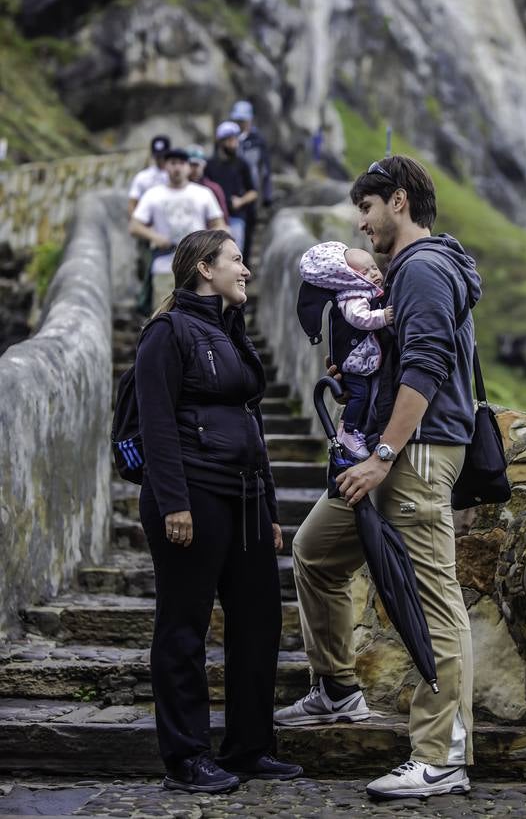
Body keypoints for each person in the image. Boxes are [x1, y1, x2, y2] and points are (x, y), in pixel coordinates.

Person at [275, 155, 481, 802]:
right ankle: (338, 689)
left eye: (365, 209)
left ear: (397, 200)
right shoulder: (406, 272)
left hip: (414, 456)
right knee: (315, 551)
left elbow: (426, 368)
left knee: (436, 602)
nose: (361, 225)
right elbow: (399, 360)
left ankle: (441, 756)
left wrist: (382, 454)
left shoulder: (421, 269)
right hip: (396, 453)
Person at [135, 229, 303, 795]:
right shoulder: (167, 332)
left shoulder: (232, 332)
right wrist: (174, 504)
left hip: (248, 497)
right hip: (194, 495)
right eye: (236, 261)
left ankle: (249, 747)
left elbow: (253, 427)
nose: (246, 271)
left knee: (259, 620)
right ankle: (185, 757)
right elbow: (156, 424)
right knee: (183, 626)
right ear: (205, 268)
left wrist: (273, 507)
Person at [298, 241, 394, 459]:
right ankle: (348, 431)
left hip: (361, 359)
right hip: (354, 361)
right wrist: (383, 317)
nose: (374, 274)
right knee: (359, 395)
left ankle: (350, 429)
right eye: (365, 272)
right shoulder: (352, 296)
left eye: (374, 268)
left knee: (362, 393)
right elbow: (358, 318)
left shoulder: (366, 293)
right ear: (350, 277)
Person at [129, 147, 225, 311]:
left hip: (198, 266)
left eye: (181, 163)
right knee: (163, 314)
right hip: (164, 264)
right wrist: (155, 237)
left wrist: (208, 243)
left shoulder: (204, 194)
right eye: (173, 163)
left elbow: (219, 224)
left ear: (188, 167)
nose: (177, 168)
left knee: (199, 315)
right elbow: (134, 226)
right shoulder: (153, 195)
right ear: (166, 166)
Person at [127, 134, 171, 315]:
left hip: (168, 233)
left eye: (163, 156)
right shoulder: (143, 178)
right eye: (157, 156)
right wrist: (143, 226)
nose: (160, 160)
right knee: (147, 269)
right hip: (147, 232)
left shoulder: (173, 175)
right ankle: (146, 306)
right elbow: (132, 205)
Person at [204, 122, 257, 267]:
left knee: (234, 253)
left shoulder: (242, 164)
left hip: (236, 216)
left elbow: (253, 192)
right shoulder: (210, 164)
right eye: (229, 140)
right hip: (214, 217)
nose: (233, 143)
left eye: (235, 139)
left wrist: (240, 201)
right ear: (221, 142)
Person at [229, 100, 273, 208]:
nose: (239, 124)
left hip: (251, 192)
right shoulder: (228, 138)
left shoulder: (258, 141)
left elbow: (265, 169)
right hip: (231, 191)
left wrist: (267, 196)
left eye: (242, 120)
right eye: (237, 120)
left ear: (250, 119)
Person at [187, 145, 229, 221]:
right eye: (191, 164)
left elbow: (223, 216)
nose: (194, 169)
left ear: (204, 165)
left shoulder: (213, 188)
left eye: (197, 165)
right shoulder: (179, 188)